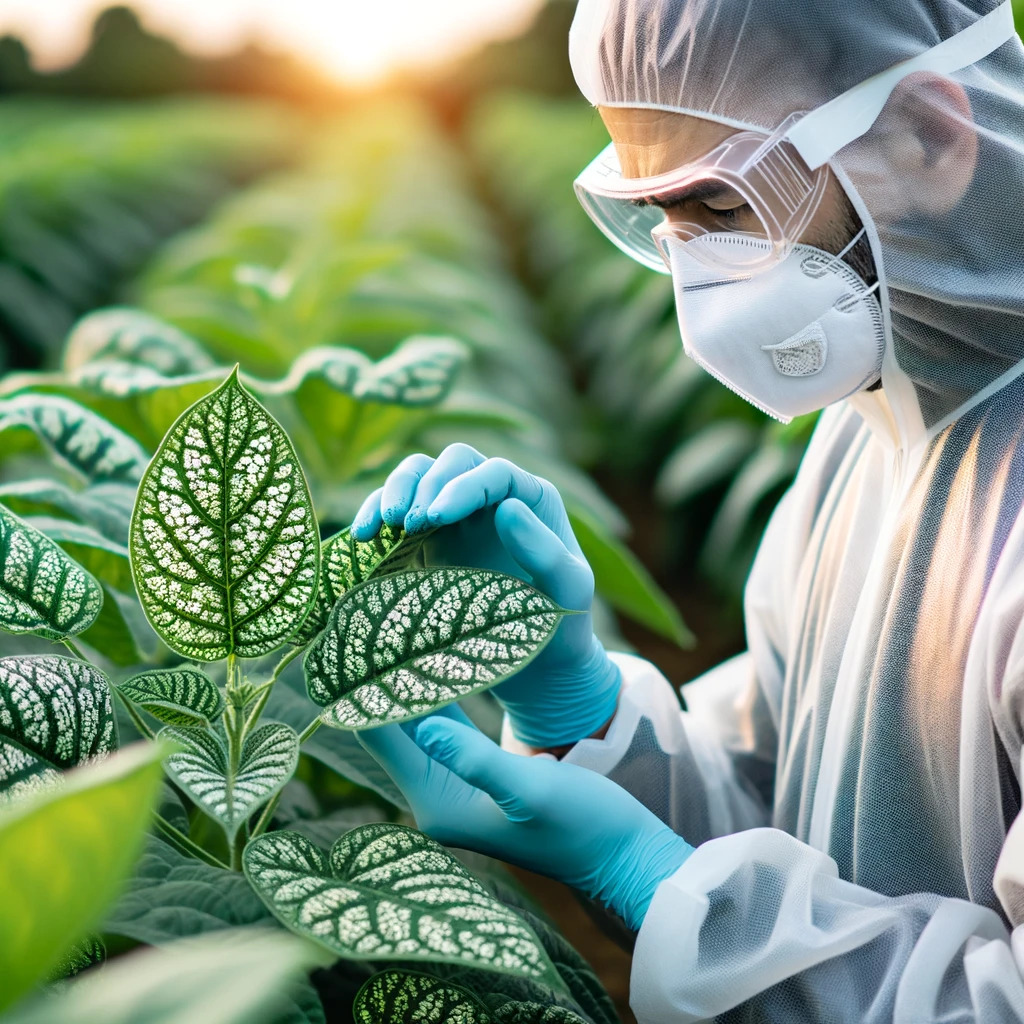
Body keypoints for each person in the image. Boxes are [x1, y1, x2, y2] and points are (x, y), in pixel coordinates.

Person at [351, 0, 1024, 1019]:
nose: (693, 277)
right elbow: (785, 801)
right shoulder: (878, 433)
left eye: (719, 205)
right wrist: (583, 718)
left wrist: (653, 880)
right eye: (658, 220)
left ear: (928, 137)